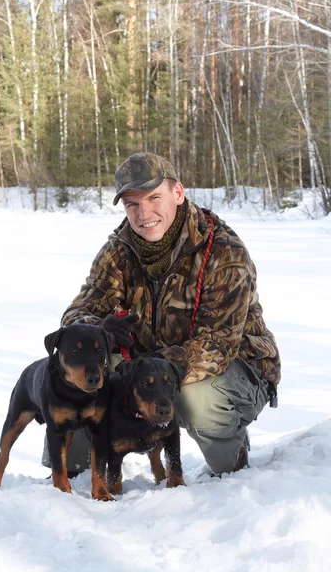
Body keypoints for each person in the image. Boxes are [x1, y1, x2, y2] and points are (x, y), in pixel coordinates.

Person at [42, 152, 281, 477]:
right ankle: (74, 471)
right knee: (81, 366)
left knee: (197, 398)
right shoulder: (118, 251)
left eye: (154, 198)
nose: (144, 213)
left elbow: (217, 346)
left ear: (178, 193)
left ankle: (232, 464)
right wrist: (97, 328)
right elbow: (76, 315)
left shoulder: (224, 252)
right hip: (143, 370)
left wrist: (139, 372)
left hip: (236, 371)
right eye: (132, 204)